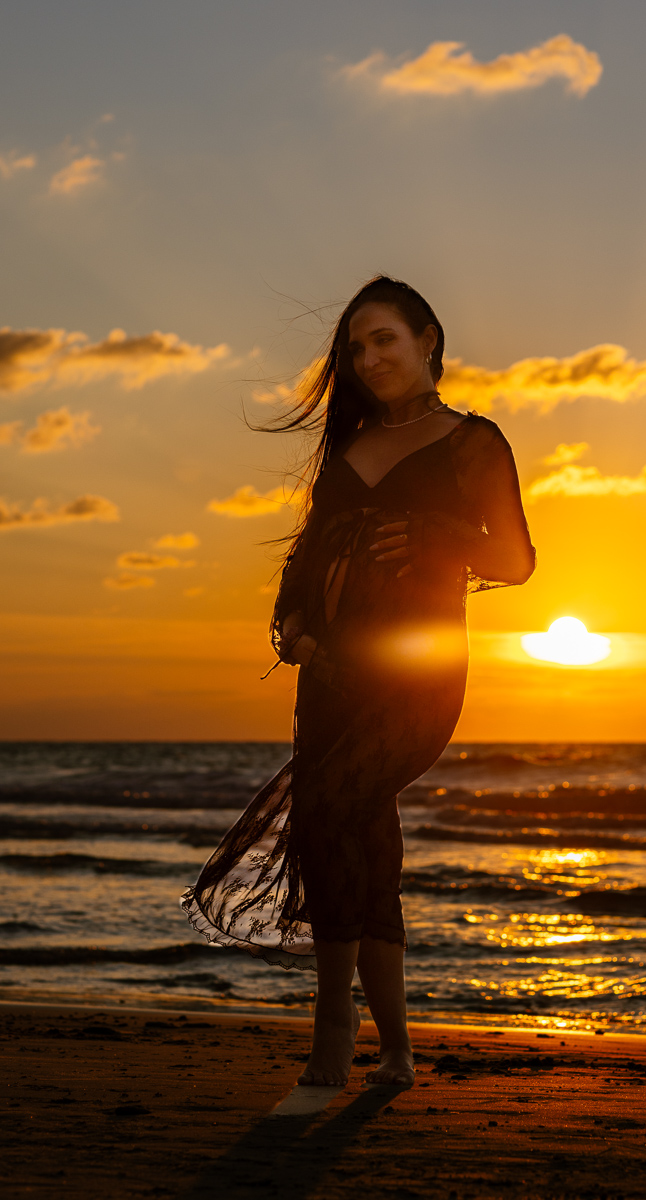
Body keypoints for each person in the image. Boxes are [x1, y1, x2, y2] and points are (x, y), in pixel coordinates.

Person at [182, 276, 536, 1087]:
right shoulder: (347, 445)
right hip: (333, 675)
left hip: (419, 678)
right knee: (364, 843)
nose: (369, 357)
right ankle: (400, 1053)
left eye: (385, 340)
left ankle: (331, 1028)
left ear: (428, 342)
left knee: (331, 811)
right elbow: (310, 549)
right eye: (356, 346)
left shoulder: (474, 443)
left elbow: (516, 561)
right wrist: (295, 624)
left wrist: (433, 530)